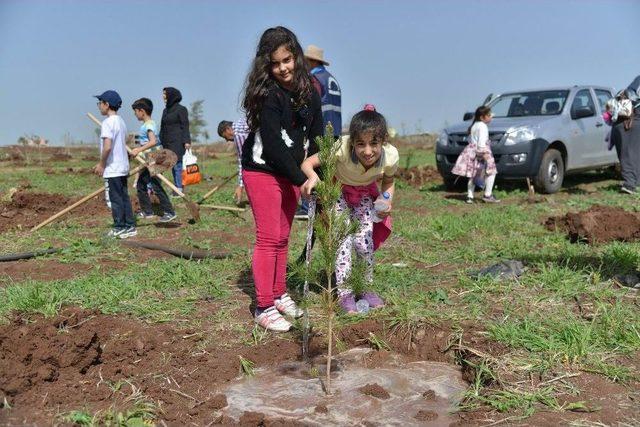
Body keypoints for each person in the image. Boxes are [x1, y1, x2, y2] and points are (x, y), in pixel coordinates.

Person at [241, 26, 324, 332]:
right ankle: (263, 306)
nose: (283, 68)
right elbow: (274, 145)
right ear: (267, 66)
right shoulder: (268, 95)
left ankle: (279, 294)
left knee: (284, 236)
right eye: (275, 64)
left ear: (296, 56)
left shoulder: (309, 91)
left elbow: (317, 136)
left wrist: (316, 174)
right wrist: (301, 178)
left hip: (293, 170)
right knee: (268, 237)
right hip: (263, 169)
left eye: (287, 60)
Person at [300, 104, 398, 314]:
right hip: (339, 191)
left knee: (364, 241)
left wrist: (386, 198)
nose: (368, 150)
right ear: (352, 142)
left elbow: (389, 181)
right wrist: (313, 177)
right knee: (342, 239)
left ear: (383, 141)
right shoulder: (340, 148)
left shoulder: (390, 156)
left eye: (374, 143)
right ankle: (345, 294)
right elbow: (308, 163)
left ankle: (365, 288)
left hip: (364, 193)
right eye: (360, 144)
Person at [295, 44, 343, 219]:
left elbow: (308, 105)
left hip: (320, 131)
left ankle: (309, 205)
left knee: (311, 166)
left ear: (311, 61)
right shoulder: (331, 79)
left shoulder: (314, 80)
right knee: (329, 170)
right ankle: (327, 204)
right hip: (335, 130)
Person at [93, 90, 137, 238]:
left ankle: (119, 227)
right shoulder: (121, 121)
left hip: (113, 167)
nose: (99, 106)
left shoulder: (107, 123)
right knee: (123, 197)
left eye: (100, 103)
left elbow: (107, 147)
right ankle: (130, 226)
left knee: (116, 199)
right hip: (122, 166)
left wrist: (101, 164)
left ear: (107, 104)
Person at [131, 98, 177, 222]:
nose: (135, 114)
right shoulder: (146, 125)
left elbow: (153, 141)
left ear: (142, 111)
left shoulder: (149, 125)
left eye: (135, 111)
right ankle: (147, 212)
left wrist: (139, 149)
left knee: (156, 185)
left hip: (154, 158)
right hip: (149, 159)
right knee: (141, 184)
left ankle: (169, 212)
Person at [451, 106, 500, 204]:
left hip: (472, 151)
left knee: (473, 174)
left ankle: (470, 197)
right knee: (491, 172)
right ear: (482, 117)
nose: (491, 117)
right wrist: (483, 154)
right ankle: (488, 195)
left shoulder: (474, 125)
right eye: (489, 115)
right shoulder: (483, 126)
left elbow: (470, 140)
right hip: (482, 152)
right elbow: (481, 142)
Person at [160, 87, 191, 195]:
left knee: (178, 165)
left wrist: (187, 141)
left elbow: (185, 126)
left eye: (165, 94)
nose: (163, 96)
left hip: (178, 142)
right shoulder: (165, 111)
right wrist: (161, 140)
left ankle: (179, 189)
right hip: (167, 142)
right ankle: (177, 187)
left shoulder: (181, 109)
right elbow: (162, 127)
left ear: (171, 96)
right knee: (172, 165)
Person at [611, 88, 639, 194]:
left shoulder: (627, 92)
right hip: (629, 125)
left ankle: (631, 183)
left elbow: (609, 110)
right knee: (631, 155)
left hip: (622, 126)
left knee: (627, 155)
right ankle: (631, 183)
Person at [218, 118, 250, 203]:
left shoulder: (238, 135)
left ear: (228, 129)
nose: (227, 140)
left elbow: (242, 160)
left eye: (225, 136)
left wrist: (240, 186)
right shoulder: (242, 121)